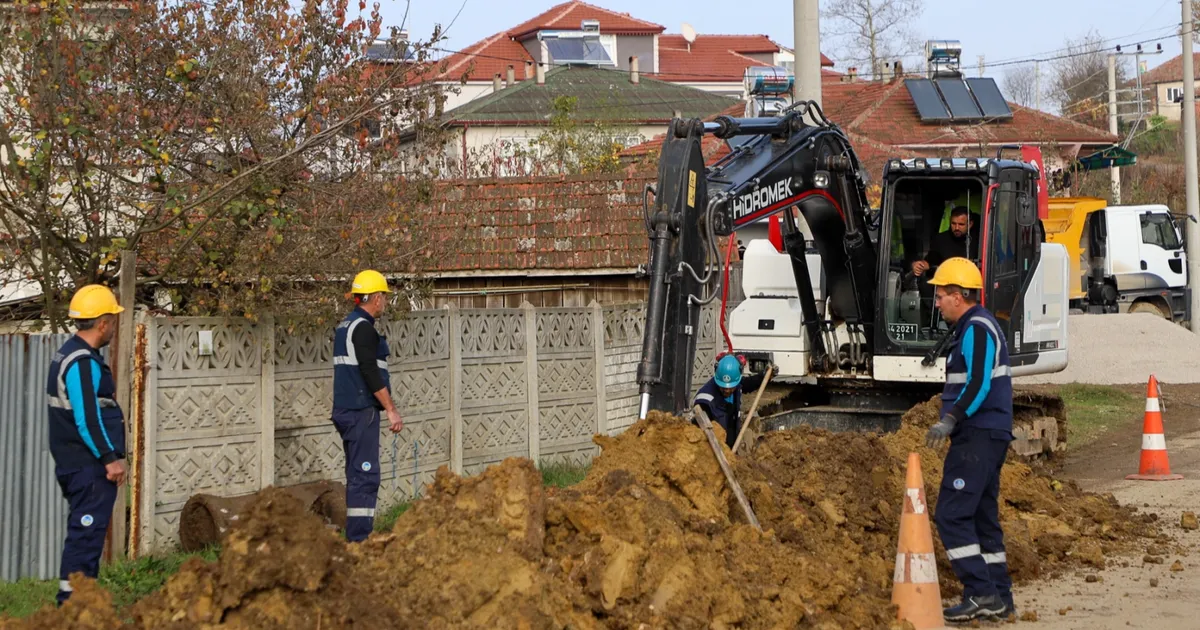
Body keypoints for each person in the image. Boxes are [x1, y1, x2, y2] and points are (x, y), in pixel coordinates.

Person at [923, 258, 1015, 622]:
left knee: (951, 513)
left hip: (977, 435)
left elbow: (979, 383)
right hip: (989, 433)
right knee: (981, 516)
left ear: (959, 296)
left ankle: (980, 593)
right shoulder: (975, 327)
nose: (937, 302)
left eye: (941, 294)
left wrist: (950, 419)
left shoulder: (976, 328)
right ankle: (999, 596)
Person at [47, 285, 127, 605]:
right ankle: (71, 609)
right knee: (85, 535)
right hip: (88, 466)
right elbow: (87, 419)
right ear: (102, 324)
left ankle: (85, 604)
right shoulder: (81, 362)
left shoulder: (68, 352)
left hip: (76, 463)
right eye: (112, 320)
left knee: (86, 534)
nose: (113, 327)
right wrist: (111, 460)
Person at [332, 269, 404, 542]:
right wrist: (390, 409)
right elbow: (370, 373)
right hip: (361, 411)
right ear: (375, 298)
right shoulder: (363, 329)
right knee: (365, 476)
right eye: (383, 296)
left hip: (346, 410)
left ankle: (356, 536)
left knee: (355, 476)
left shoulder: (345, 326)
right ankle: (360, 541)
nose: (384, 302)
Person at [693, 354, 770, 448]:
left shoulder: (736, 382)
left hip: (732, 444)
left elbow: (748, 384)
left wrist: (764, 375)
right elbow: (699, 434)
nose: (727, 390)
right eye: (723, 387)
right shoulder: (704, 402)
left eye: (730, 387)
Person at [911, 206, 981, 278]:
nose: (956, 228)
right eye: (953, 223)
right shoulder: (941, 239)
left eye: (961, 224)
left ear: (970, 224)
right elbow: (931, 260)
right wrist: (919, 265)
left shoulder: (979, 240)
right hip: (947, 284)